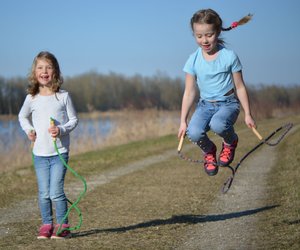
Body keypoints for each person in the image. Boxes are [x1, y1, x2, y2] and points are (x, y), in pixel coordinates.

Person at [178, 9, 256, 176]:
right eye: (199, 36)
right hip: (205, 106)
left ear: (218, 32)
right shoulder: (193, 60)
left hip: (228, 104)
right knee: (194, 131)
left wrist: (248, 114)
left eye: (209, 35)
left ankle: (230, 141)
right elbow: (189, 92)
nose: (204, 40)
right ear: (194, 35)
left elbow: (240, 86)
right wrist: (183, 121)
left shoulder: (229, 56)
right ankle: (209, 151)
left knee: (218, 124)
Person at [18, 51, 78, 239]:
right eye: (40, 68)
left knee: (56, 192)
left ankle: (63, 226)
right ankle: (46, 225)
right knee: (44, 193)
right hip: (40, 154)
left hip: (59, 152)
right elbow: (22, 116)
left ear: (55, 72)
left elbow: (74, 120)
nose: (44, 71)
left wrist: (61, 130)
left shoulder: (63, 96)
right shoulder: (32, 98)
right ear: (34, 72)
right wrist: (29, 130)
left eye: (49, 68)